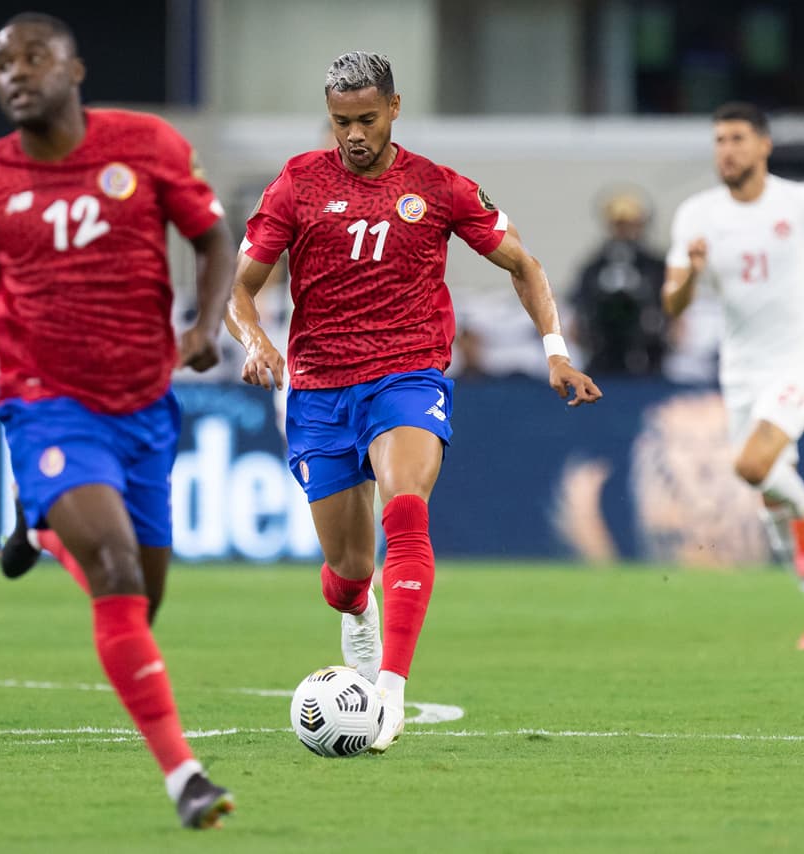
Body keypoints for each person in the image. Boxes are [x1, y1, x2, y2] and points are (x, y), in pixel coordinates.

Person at [0, 13, 235, 830]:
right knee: (119, 570)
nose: (16, 74)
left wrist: (204, 326)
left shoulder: (148, 146)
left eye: (33, 58)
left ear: (74, 68)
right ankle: (185, 779)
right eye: (1, 65)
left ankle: (41, 533)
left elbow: (214, 236)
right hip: (46, 401)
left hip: (145, 404)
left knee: (139, 604)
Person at [226, 51, 602, 752]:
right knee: (347, 574)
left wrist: (555, 350)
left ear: (394, 109)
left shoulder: (438, 186)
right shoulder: (297, 184)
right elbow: (239, 291)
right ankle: (358, 606)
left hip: (407, 375)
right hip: (318, 388)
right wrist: (253, 342)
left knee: (405, 507)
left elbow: (524, 263)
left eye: (367, 119)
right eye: (342, 122)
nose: (354, 135)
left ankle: (390, 697)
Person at [662, 102, 804, 650]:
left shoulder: (802, 203)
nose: (726, 150)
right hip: (741, 371)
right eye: (718, 140)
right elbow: (672, 302)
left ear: (764, 145)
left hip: (800, 360)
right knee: (766, 500)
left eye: (736, 138)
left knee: (754, 465)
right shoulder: (697, 215)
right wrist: (692, 272)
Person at [571, 191, 669, 376]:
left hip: (648, 352)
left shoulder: (654, 266)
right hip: (601, 351)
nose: (624, 232)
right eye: (619, 225)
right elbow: (580, 300)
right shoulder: (594, 266)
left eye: (630, 225)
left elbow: (670, 301)